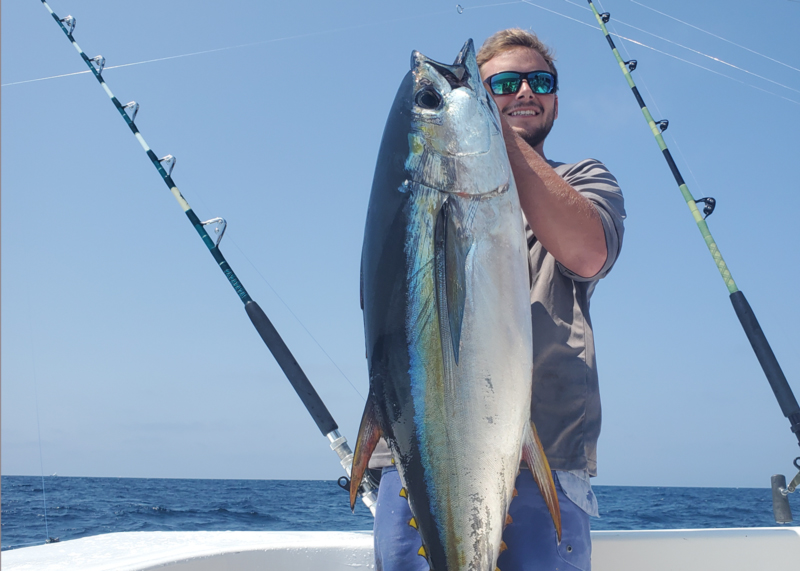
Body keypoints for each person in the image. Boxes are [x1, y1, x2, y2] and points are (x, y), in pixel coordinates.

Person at [371, 28, 626, 571]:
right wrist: (476, 125)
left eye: (540, 81)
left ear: (556, 98)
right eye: (503, 84)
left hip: (548, 455)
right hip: (421, 455)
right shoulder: (425, 193)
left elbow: (586, 253)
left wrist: (492, 132)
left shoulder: (583, 180)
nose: (525, 92)